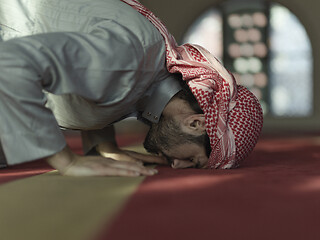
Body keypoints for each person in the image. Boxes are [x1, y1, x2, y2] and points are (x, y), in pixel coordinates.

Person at [0, 0, 263, 177]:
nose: (176, 165)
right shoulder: (129, 59)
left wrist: (103, 146)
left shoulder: (146, 72)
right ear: (196, 123)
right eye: (192, 160)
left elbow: (91, 80)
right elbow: (13, 65)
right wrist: (67, 162)